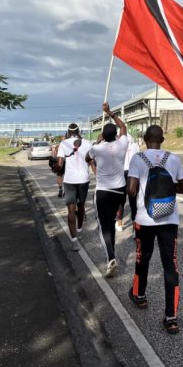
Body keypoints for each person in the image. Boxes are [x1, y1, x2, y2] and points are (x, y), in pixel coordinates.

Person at [127, 124, 183, 334]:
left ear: (145, 139)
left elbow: (132, 189)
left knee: (142, 258)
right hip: (169, 220)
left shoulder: (138, 158)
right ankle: (171, 318)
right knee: (170, 266)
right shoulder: (173, 158)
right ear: (162, 140)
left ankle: (140, 296)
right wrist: (168, 186)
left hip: (145, 219)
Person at [85, 103, 128, 278]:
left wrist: (97, 141)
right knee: (111, 221)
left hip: (103, 191)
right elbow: (123, 126)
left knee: (104, 226)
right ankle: (112, 251)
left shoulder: (97, 148)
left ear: (103, 135)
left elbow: (88, 157)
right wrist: (110, 113)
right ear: (116, 134)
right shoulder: (122, 144)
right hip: (119, 190)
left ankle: (111, 257)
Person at [57, 123, 92, 251]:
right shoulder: (87, 143)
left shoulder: (64, 144)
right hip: (83, 179)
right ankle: (80, 229)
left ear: (68, 131)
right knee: (81, 205)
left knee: (71, 210)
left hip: (70, 180)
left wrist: (56, 168)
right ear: (79, 131)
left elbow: (60, 164)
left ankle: (74, 241)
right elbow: (91, 160)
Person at [115, 133, 139, 232]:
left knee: (121, 200)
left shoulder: (118, 145)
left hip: (122, 173)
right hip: (133, 174)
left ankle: (119, 223)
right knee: (133, 202)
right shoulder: (135, 145)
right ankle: (135, 228)